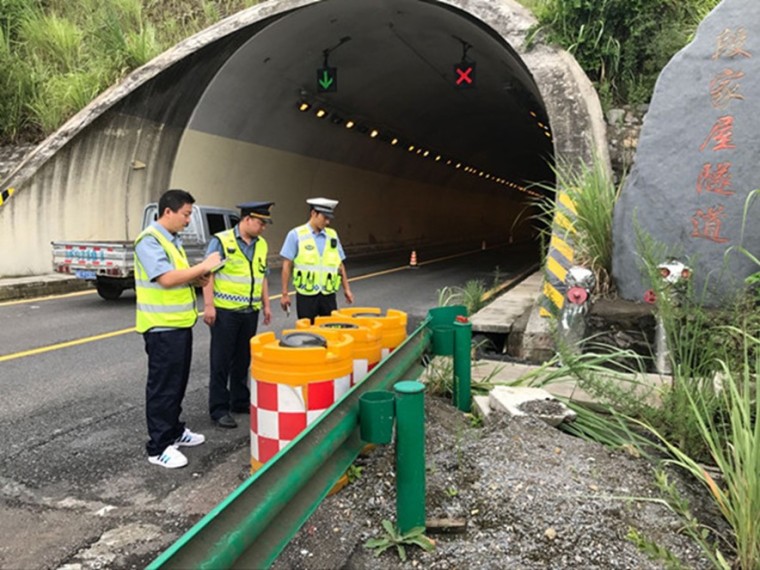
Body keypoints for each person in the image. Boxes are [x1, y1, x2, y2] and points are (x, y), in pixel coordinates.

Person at [134, 189, 222, 469]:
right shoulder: (149, 240)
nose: (188, 221)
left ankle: (174, 431)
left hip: (179, 325)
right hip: (161, 328)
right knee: (163, 387)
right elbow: (166, 278)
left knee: (177, 383)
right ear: (168, 212)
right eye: (185, 214)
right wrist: (202, 267)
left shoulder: (173, 241)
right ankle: (159, 446)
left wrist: (197, 279)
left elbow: (180, 278)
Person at [203, 201, 273, 429]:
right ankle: (219, 409)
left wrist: (266, 304)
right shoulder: (222, 241)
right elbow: (207, 272)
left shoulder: (261, 244)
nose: (263, 227)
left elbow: (262, 276)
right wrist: (209, 305)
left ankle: (239, 400)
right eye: (261, 222)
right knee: (221, 361)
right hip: (225, 313)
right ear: (247, 219)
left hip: (249, 312)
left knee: (243, 359)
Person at [279, 197, 354, 322]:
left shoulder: (332, 235)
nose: (328, 222)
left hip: (328, 294)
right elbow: (286, 265)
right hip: (306, 295)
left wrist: (346, 289)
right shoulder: (296, 234)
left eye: (329, 218)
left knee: (330, 331)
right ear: (314, 213)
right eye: (325, 217)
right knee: (307, 334)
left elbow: (340, 265)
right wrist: (285, 294)